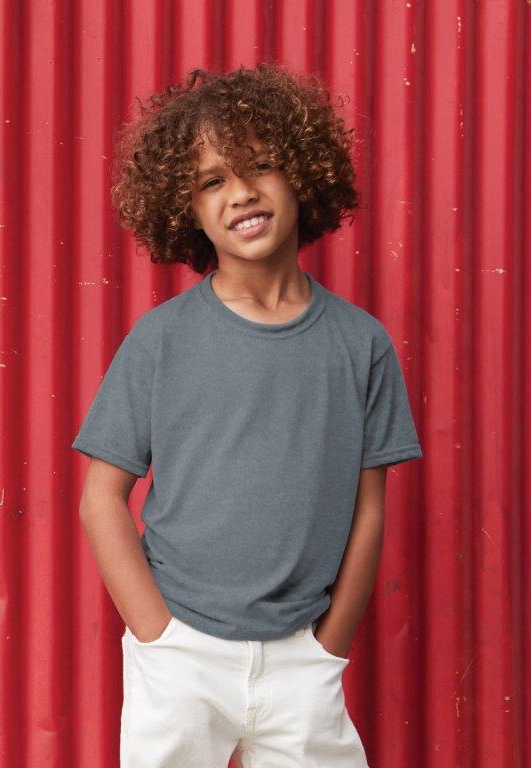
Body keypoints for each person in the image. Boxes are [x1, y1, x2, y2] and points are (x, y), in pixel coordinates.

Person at [72, 62, 423, 768]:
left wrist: (329, 649)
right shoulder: (161, 339)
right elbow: (100, 497)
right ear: (187, 209)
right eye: (212, 181)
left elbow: (369, 510)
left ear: (303, 174)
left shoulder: (361, 345)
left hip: (302, 663)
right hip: (180, 659)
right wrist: (158, 636)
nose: (241, 193)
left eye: (261, 165)